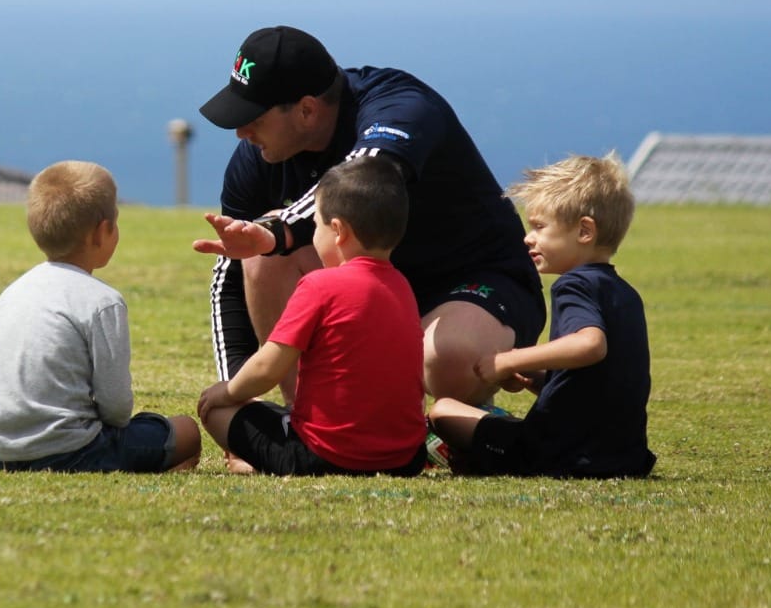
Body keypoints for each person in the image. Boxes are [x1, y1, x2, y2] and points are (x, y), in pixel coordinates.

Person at [194, 25, 546, 407]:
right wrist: (232, 394)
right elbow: (231, 270)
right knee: (262, 255)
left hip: (476, 279)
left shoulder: (401, 106)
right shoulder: (258, 157)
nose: (241, 132)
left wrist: (277, 231)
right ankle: (307, 418)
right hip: (374, 289)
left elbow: (369, 174)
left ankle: (469, 412)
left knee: (448, 359)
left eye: (254, 118)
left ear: (307, 110)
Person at [195, 157, 429, 476]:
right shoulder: (402, 286)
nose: (313, 234)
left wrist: (226, 392)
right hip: (404, 458)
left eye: (316, 225)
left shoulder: (320, 286)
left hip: (321, 456)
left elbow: (267, 368)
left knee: (217, 412)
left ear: (338, 231)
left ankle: (254, 458)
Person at [428, 153, 655, 478]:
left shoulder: (573, 285)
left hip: (558, 455)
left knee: (443, 410)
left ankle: (468, 457)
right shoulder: (624, 293)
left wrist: (509, 360)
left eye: (539, 227)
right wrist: (536, 378)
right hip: (624, 456)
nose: (528, 237)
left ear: (584, 231)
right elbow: (598, 384)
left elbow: (590, 346)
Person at [0, 161, 202, 473]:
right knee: (186, 430)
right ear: (102, 232)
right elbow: (117, 410)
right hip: (71, 451)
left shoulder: (11, 293)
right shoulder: (102, 302)